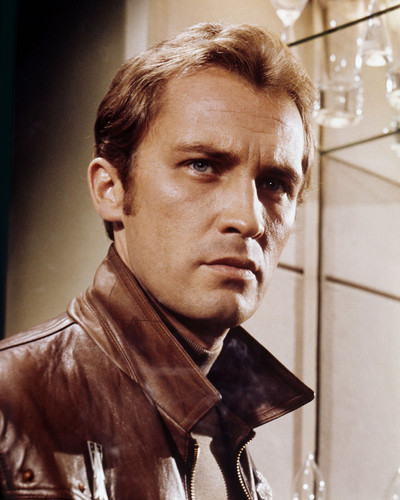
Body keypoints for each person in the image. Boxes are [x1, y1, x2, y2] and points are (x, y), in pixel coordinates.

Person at [0, 22, 316, 500]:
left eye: (274, 183)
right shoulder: (10, 402)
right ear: (111, 189)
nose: (249, 219)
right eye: (202, 165)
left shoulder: (237, 456)